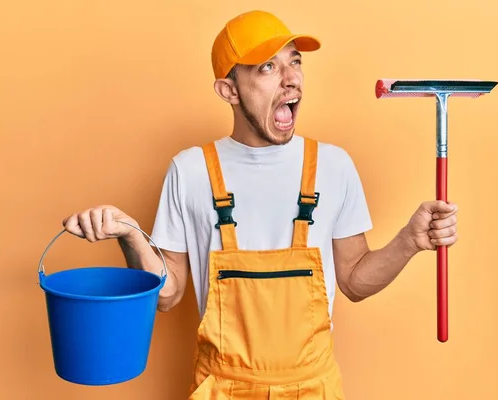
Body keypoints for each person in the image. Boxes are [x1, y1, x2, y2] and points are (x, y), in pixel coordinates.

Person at [61, 10, 459, 399]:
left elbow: (354, 281)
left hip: (314, 388)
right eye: (268, 67)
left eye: (295, 61)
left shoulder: (334, 166)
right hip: (221, 388)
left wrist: (410, 240)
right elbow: (167, 295)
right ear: (228, 90)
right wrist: (130, 235)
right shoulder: (191, 170)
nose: (291, 80)